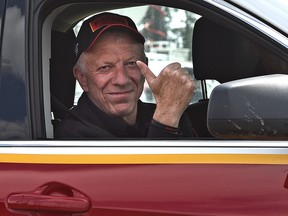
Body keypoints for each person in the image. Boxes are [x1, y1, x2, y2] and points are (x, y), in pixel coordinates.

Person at [55, 12, 197, 139]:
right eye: (105, 67)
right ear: (82, 78)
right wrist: (165, 122)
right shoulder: (73, 136)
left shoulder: (168, 114)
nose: (121, 80)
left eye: (131, 64)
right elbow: (155, 170)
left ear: (145, 66)